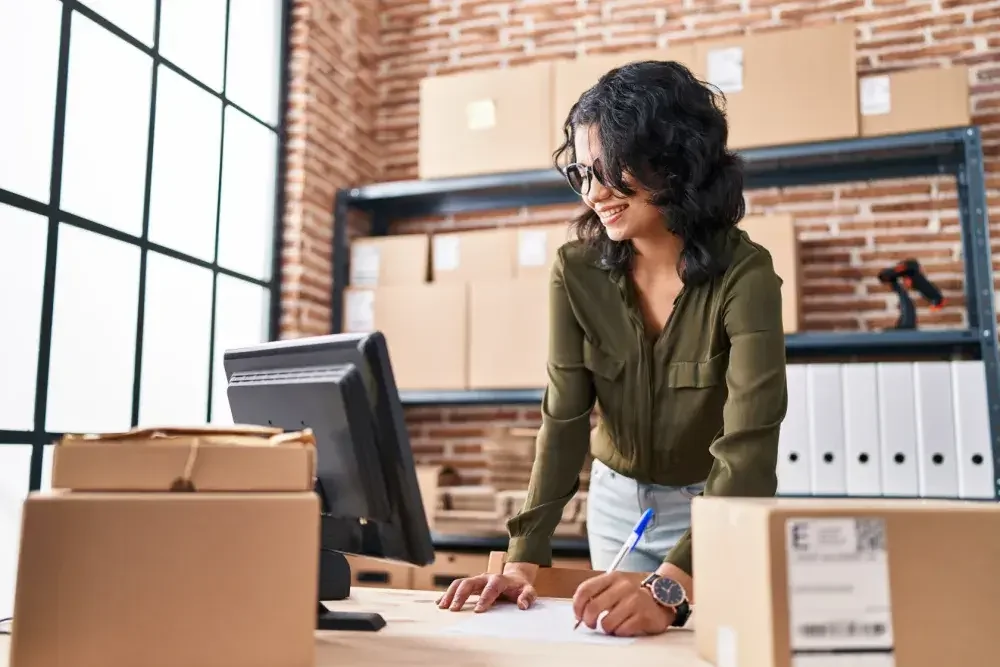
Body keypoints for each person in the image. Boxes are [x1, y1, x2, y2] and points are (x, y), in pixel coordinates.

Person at [437, 59, 787, 636]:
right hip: (616, 502)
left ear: (673, 161)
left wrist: (673, 583)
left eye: (612, 170)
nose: (595, 193)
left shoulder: (745, 276)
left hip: (716, 505)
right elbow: (564, 419)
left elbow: (748, 451)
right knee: (622, 645)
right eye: (582, 172)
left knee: (709, 645)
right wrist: (524, 559)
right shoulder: (575, 271)